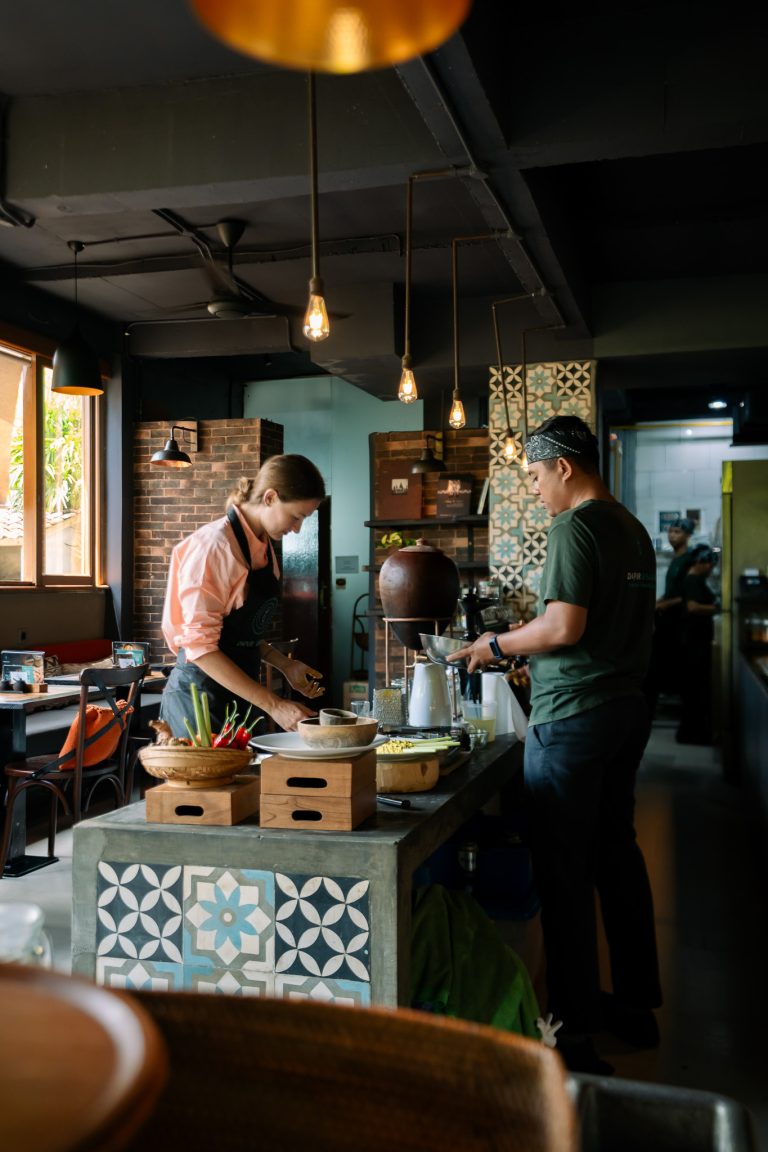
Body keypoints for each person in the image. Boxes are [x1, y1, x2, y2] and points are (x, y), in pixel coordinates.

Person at [448, 414, 662, 1075]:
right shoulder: (631, 527)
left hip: (571, 718)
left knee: (564, 874)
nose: (537, 490)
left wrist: (495, 646)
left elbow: (565, 626)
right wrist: (527, 639)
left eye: (538, 477)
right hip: (626, 709)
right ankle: (634, 1006)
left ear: (565, 466)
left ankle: (570, 1037)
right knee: (616, 856)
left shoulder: (575, 526)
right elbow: (592, 625)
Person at [159, 453, 326, 739]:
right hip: (199, 702)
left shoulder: (263, 546)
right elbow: (201, 647)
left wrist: (285, 664)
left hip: (241, 698)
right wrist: (274, 704)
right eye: (296, 517)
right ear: (270, 497)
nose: (297, 529)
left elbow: (238, 632)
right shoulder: (215, 548)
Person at [645, 517, 695, 709]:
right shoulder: (675, 559)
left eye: (678, 532)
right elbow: (672, 591)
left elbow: (687, 596)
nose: (672, 535)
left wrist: (664, 605)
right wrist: (658, 601)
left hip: (680, 622)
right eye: (671, 531)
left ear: (688, 535)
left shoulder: (689, 560)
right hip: (667, 617)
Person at [677, 543, 719, 745]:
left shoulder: (696, 580)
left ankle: (691, 731)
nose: (711, 568)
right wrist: (717, 608)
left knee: (695, 690)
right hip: (694, 644)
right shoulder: (693, 581)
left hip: (696, 642)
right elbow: (693, 607)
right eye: (709, 564)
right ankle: (691, 733)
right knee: (695, 690)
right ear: (701, 563)